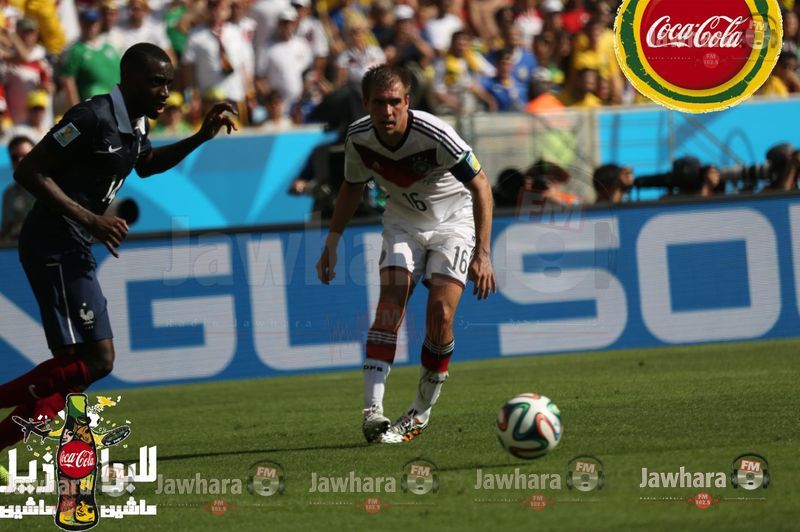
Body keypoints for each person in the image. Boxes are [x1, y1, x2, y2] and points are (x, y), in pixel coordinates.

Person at [0, 43, 237, 452]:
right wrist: (91, 219)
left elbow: (146, 163)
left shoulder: (136, 122)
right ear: (129, 80)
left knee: (76, 369)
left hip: (72, 243)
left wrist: (200, 136)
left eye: (169, 83)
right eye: (157, 82)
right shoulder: (90, 117)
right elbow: (29, 170)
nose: (165, 92)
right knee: (96, 360)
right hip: (52, 243)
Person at [316, 64, 496, 444]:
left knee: (441, 315)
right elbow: (351, 186)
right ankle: (372, 413)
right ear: (366, 103)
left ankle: (419, 412)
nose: (387, 111)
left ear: (407, 101)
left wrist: (483, 253)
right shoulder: (359, 138)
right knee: (390, 305)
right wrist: (332, 240)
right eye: (378, 103)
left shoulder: (435, 134)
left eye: (395, 102)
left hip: (453, 221)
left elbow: (481, 184)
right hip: (402, 221)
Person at [0, 135, 36, 241]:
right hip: (18, 247)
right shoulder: (9, 193)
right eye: (15, 157)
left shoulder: (54, 186)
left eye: (25, 155)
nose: (20, 160)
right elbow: (5, 230)